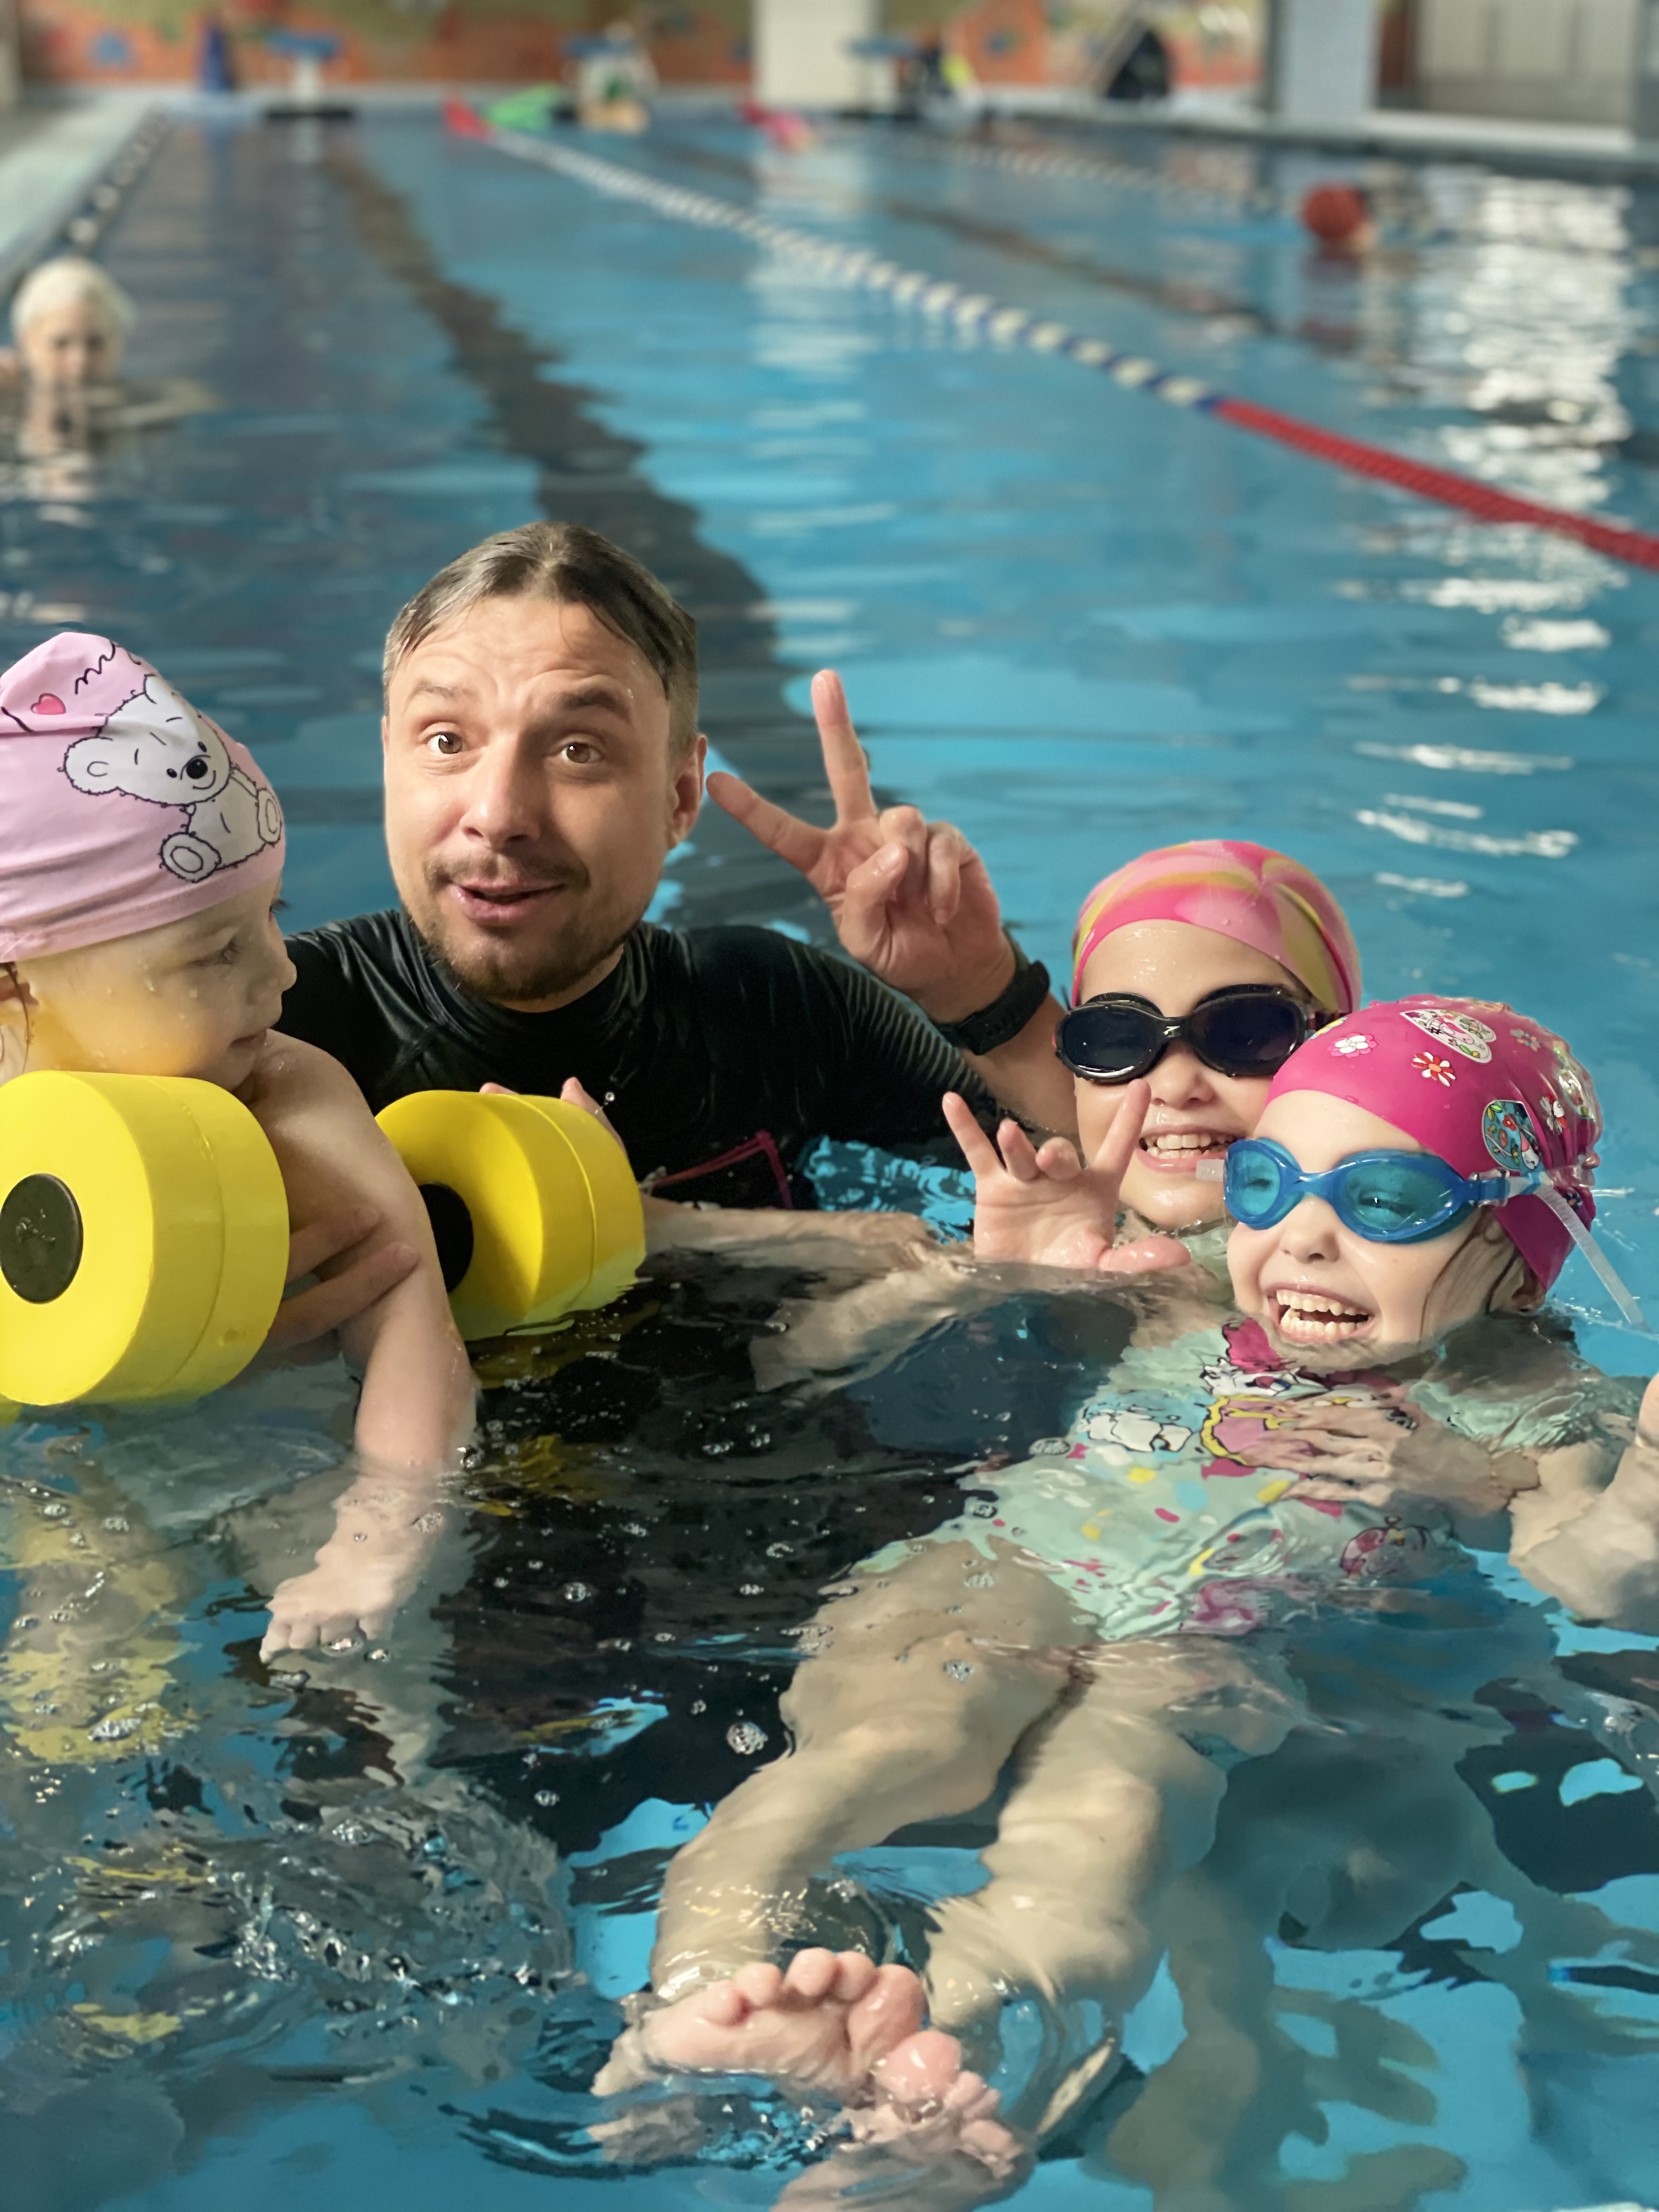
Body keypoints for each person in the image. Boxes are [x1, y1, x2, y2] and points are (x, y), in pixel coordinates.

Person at [590, 997, 1658, 2196]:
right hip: (998, 1576)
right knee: (865, 1759)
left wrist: (1635, 1485)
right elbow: (817, 1334)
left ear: (1520, 1248)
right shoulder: (1185, 1275)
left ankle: (940, 2097)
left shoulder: (1534, 1409)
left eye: (1385, 1202)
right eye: (1267, 1185)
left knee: (1104, 1842)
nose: (1302, 1240)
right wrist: (996, 1271)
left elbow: (1588, 1580)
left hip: (1199, 1659)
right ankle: (697, 2007)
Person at [276, 522, 1073, 1211]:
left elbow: (1098, 1209)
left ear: (681, 796)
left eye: (577, 750)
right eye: (446, 741)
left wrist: (980, 992)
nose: (498, 814)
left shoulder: (773, 1010)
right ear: (390, 760)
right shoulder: (283, 1027)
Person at [0, 633, 476, 1656]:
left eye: (272, 917)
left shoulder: (293, 1100)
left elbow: (415, 1334)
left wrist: (377, 1536)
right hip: (88, 1472)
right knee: (68, 1658)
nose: (282, 971)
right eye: (215, 951)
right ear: (17, 988)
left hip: (289, 1456)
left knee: (366, 1672)